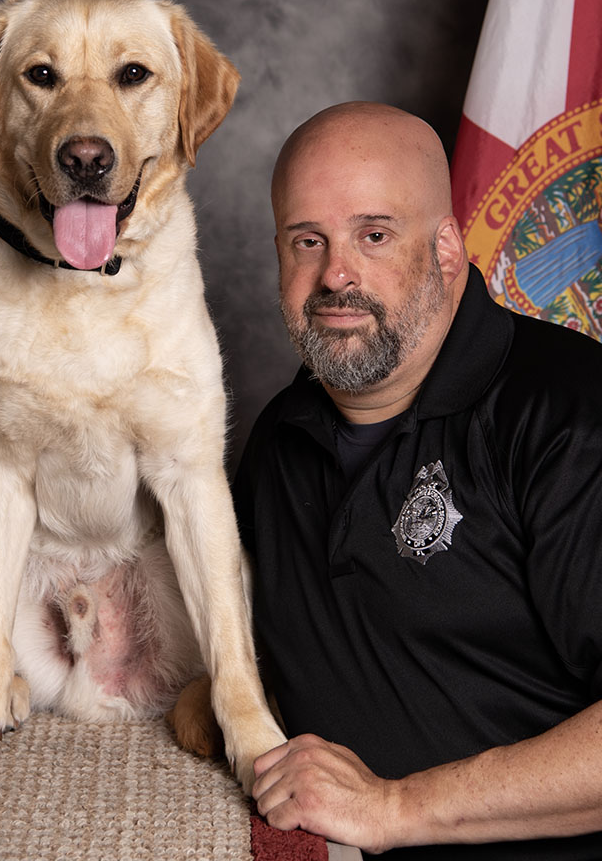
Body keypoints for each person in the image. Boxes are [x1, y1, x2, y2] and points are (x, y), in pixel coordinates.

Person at [233, 102, 602, 858]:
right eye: (308, 240)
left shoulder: (570, 417)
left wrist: (398, 808)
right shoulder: (278, 441)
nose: (335, 274)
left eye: (374, 235)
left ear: (443, 248)